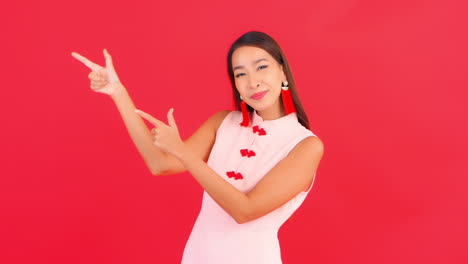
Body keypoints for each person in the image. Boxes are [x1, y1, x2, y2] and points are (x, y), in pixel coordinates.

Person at [71, 31, 324, 264]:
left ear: (282, 72)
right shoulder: (224, 122)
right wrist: (117, 92)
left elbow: (245, 210)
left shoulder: (305, 146)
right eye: (240, 73)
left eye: (261, 67)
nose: (253, 81)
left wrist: (183, 152)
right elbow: (160, 164)